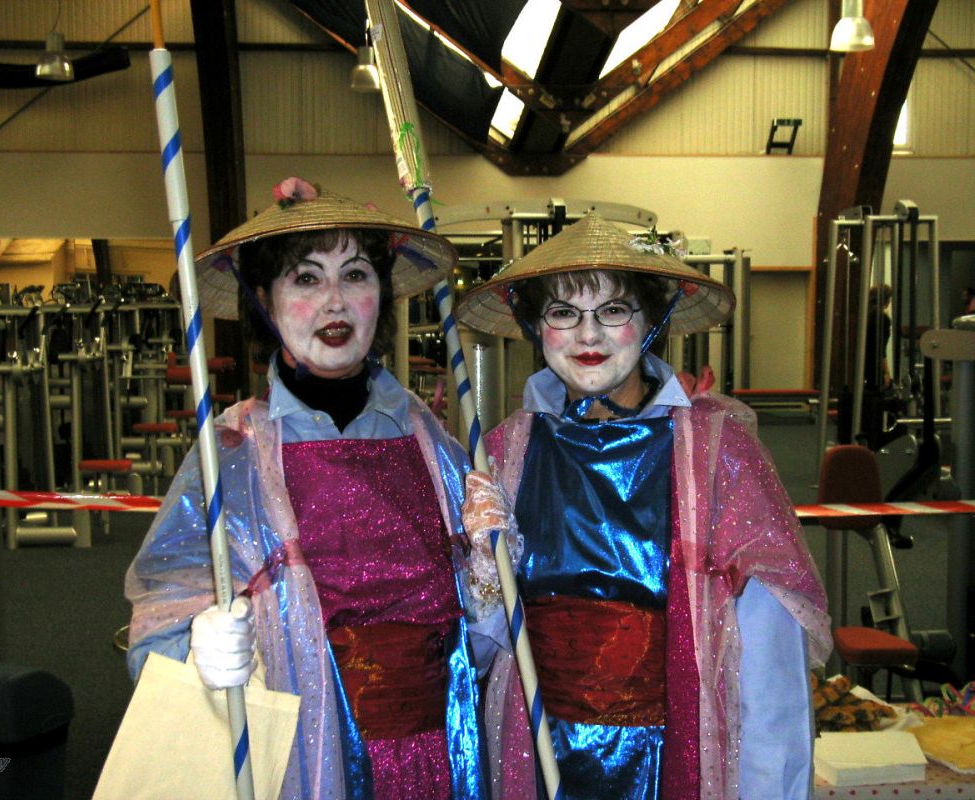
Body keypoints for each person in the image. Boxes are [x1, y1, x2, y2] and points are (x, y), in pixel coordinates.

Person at [125, 178, 497, 800]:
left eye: (355, 275)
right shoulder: (233, 456)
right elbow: (160, 618)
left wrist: (492, 575)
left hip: (440, 760)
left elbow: (484, 630)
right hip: (307, 762)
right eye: (306, 278)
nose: (335, 302)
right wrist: (196, 649)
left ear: (381, 295)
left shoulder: (434, 442)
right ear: (265, 303)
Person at [455, 214, 831, 800]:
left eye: (613, 310)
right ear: (535, 325)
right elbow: (477, 655)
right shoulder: (504, 453)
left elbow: (771, 668)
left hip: (669, 760)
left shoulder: (716, 454)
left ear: (651, 320)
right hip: (538, 756)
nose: (588, 335)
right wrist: (482, 576)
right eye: (563, 312)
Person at [865, 284, 893, 390]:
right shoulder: (882, 318)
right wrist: (886, 372)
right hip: (873, 366)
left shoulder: (864, 315)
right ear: (885, 300)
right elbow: (880, 349)